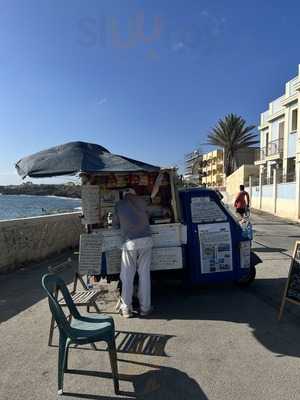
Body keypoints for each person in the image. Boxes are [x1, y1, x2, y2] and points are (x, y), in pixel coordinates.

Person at [113, 188, 153, 318]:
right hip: (146, 241)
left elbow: (115, 225)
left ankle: (126, 309)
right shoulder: (142, 201)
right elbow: (148, 216)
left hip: (130, 243)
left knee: (127, 276)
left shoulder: (119, 204)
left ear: (123, 194)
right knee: (144, 275)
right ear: (134, 194)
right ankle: (145, 308)